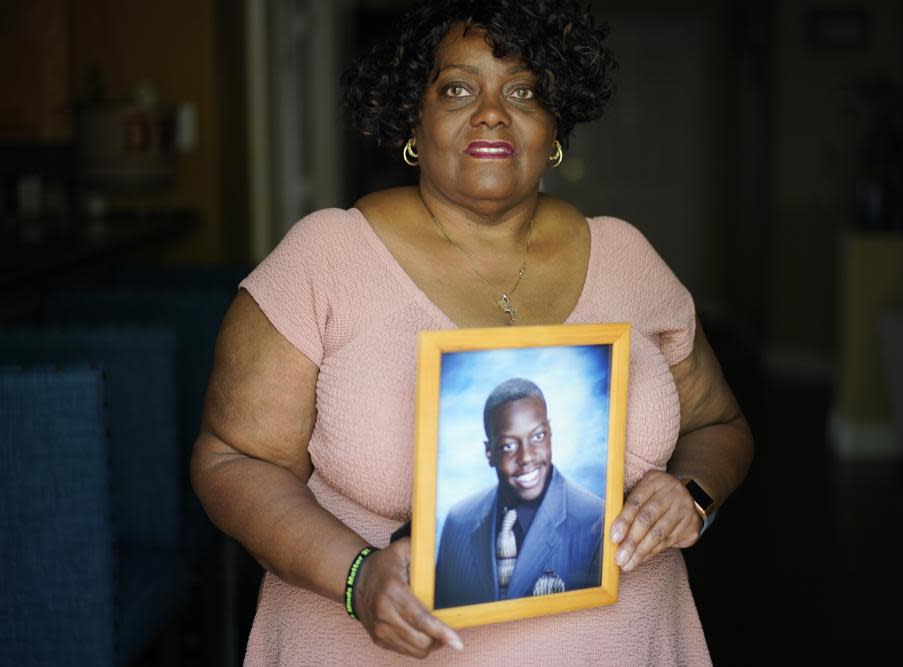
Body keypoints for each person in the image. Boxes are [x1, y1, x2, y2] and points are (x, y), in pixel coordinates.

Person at [190, 0, 753, 664]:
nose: (491, 111)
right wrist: (357, 575)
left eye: (523, 90)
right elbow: (231, 459)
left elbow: (721, 427)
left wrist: (692, 493)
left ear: (554, 127)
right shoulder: (325, 258)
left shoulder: (627, 257)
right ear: (414, 120)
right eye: (457, 88)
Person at [434, 378, 603, 609]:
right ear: (489, 453)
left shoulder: (595, 520)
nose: (526, 457)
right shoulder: (458, 523)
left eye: (537, 437)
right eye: (508, 446)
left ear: (550, 433)